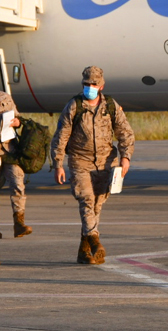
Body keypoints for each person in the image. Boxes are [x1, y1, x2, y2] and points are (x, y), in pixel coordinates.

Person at [50, 66, 134, 266]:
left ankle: (83, 249)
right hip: (80, 161)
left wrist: (126, 157)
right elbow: (61, 136)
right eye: (86, 84)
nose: (90, 87)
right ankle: (96, 243)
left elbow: (125, 133)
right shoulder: (74, 106)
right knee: (86, 200)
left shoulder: (111, 106)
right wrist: (58, 164)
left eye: (93, 84)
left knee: (96, 206)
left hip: (106, 162)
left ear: (101, 86)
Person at [0, 68, 32, 238]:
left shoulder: (5, 98)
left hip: (9, 149)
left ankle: (19, 223)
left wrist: (17, 122)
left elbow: (17, 116)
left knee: (17, 184)